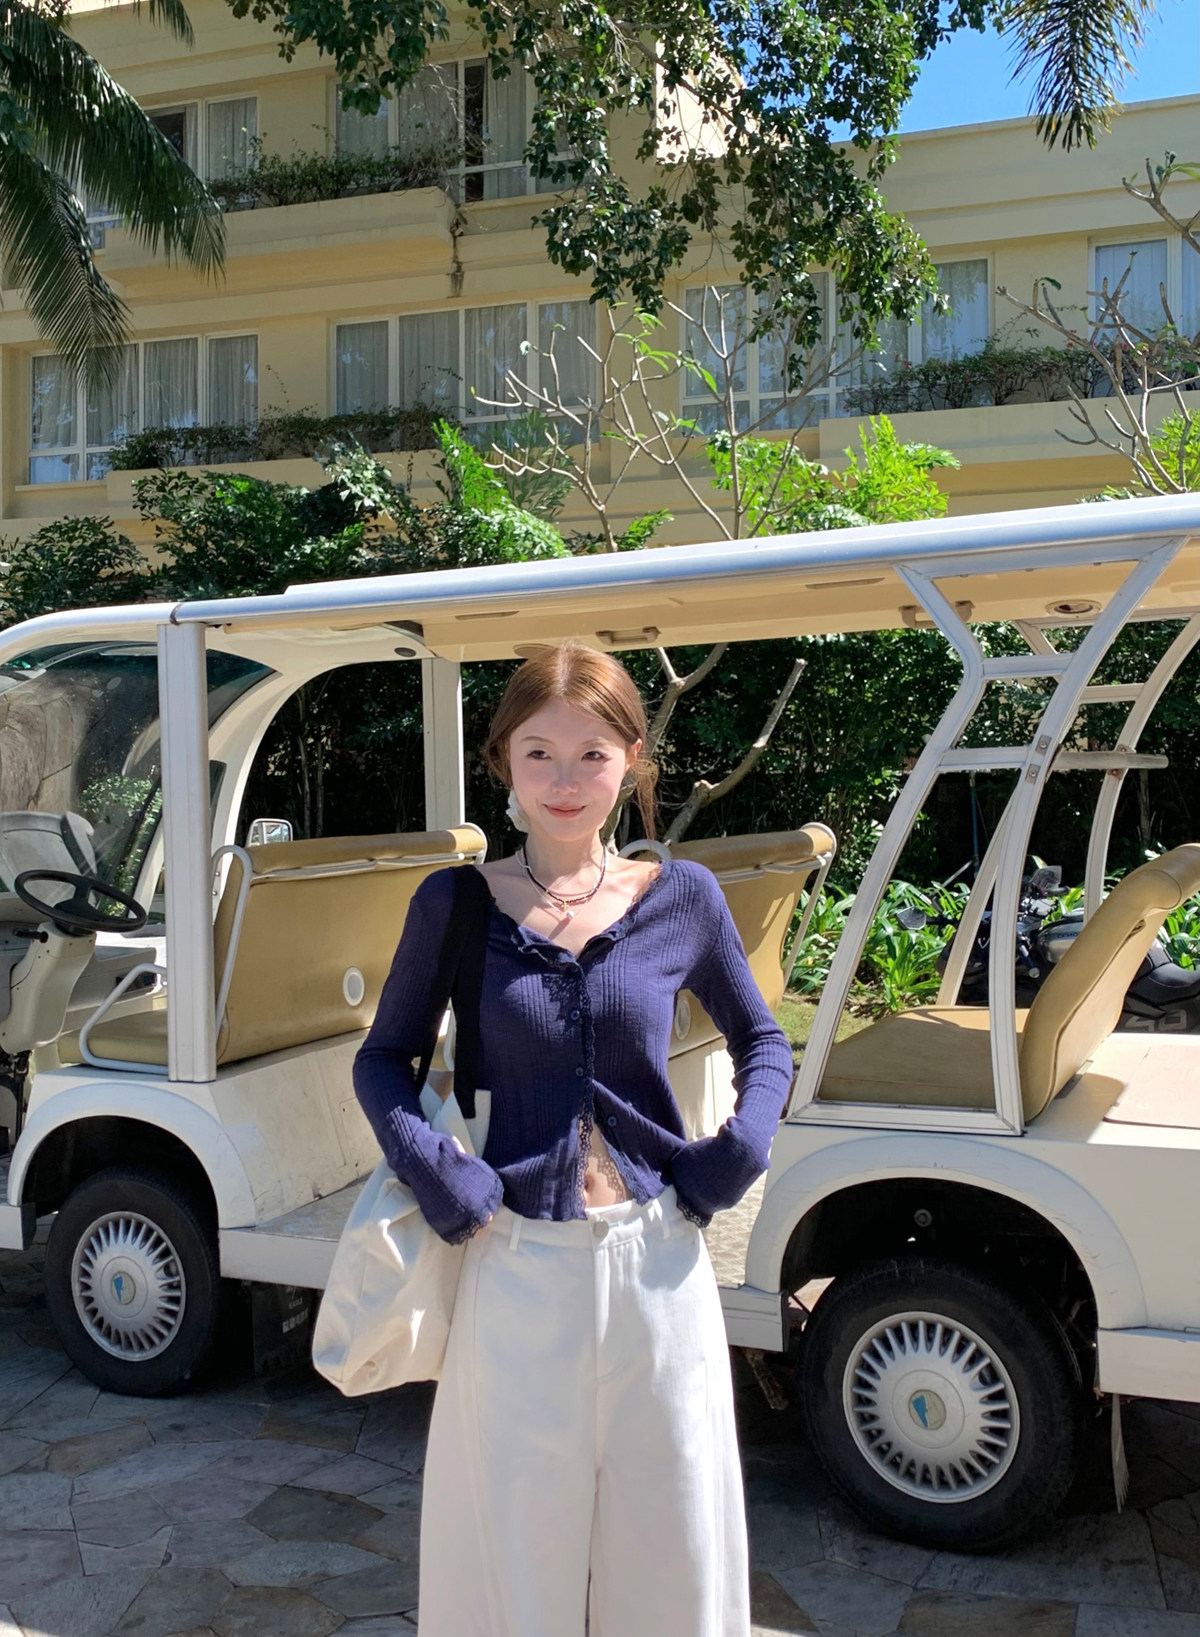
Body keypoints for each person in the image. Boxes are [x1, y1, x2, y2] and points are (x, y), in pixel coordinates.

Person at [353, 641, 794, 1637]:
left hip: (658, 1268)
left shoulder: (681, 896)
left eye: (591, 754)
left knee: (675, 1553)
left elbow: (765, 1040)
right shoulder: (456, 904)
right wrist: (437, 1174)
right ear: (503, 760)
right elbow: (382, 1060)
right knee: (510, 1563)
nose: (564, 780)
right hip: (514, 1263)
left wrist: (740, 1148)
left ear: (631, 761)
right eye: (540, 752)